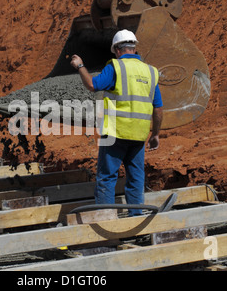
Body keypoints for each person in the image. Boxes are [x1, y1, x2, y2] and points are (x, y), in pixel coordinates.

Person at [70, 29, 163, 216]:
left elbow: (92, 85)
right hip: (138, 134)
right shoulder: (151, 72)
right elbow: (158, 108)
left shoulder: (116, 67)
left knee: (106, 176)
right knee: (136, 177)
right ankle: (136, 219)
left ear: (117, 50)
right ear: (134, 49)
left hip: (114, 132)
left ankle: (105, 218)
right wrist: (156, 134)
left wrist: (80, 66)